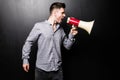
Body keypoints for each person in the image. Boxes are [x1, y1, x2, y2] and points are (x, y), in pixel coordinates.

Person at [22, 2, 78, 80]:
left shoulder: (61, 30)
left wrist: (72, 34)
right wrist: (25, 59)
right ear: (55, 13)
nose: (64, 15)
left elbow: (67, 46)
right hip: (41, 71)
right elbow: (29, 42)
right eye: (62, 13)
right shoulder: (39, 26)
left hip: (58, 72)